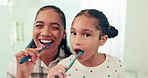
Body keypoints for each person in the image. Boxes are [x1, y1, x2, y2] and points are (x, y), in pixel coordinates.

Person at [47, 9, 125, 78]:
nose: (77, 41)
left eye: (87, 35)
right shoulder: (63, 67)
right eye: (73, 33)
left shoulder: (116, 65)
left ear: (102, 40)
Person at [6, 5, 72, 78]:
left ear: (63, 34)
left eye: (54, 27)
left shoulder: (74, 64)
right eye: (39, 26)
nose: (45, 33)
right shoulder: (18, 64)